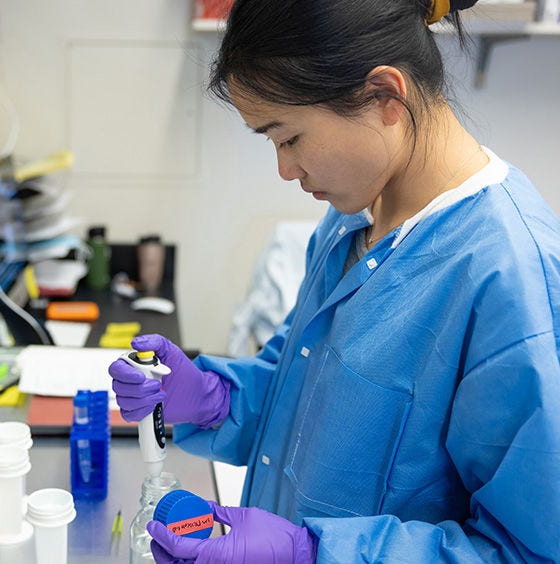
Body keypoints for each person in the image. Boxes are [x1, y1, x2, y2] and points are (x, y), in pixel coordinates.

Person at [109, 0, 560, 561]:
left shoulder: (509, 275)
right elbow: (302, 392)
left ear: (383, 97)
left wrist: (311, 552)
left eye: (290, 138)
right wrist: (212, 400)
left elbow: (528, 549)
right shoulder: (354, 214)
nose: (285, 170)